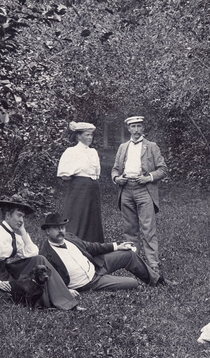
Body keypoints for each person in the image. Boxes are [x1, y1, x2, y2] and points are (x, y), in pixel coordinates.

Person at [0, 197, 82, 311]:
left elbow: (32, 253)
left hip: (5, 272)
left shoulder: (13, 234)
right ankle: (48, 302)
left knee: (39, 259)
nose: (22, 220)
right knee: (10, 296)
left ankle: (64, 298)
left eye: (23, 217)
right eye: (19, 215)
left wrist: (23, 232)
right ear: (8, 215)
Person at [111, 115, 167, 285]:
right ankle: (134, 266)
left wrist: (148, 177)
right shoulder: (123, 147)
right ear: (128, 129)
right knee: (130, 230)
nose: (136, 130)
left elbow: (163, 169)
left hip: (144, 190)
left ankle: (153, 266)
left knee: (148, 230)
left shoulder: (151, 147)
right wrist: (116, 179)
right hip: (126, 189)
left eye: (139, 126)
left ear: (143, 128)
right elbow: (115, 169)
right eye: (133, 127)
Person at [37, 212, 152, 291]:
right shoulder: (45, 254)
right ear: (47, 231)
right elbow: (48, 281)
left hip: (96, 265)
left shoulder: (69, 237)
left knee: (128, 255)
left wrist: (117, 246)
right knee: (133, 283)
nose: (61, 231)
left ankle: (158, 280)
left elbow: (91, 247)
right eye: (56, 228)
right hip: (90, 282)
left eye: (62, 227)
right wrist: (65, 291)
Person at [56, 120, 105, 242]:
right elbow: (64, 175)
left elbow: (96, 172)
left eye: (91, 135)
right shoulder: (71, 152)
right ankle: (74, 243)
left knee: (93, 217)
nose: (90, 137)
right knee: (78, 215)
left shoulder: (93, 152)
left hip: (93, 188)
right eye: (87, 135)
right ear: (78, 136)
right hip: (79, 188)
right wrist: (77, 179)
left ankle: (93, 245)